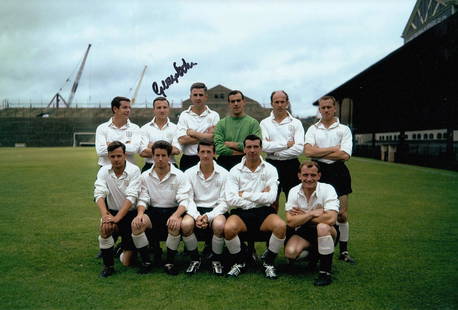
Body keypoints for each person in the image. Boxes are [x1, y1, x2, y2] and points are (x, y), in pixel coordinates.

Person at [130, 140, 199, 275]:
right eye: (157, 155)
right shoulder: (145, 176)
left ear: (169, 156)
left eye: (163, 155)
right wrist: (139, 215)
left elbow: (185, 200)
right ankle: (146, 261)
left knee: (174, 225)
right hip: (153, 212)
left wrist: (176, 215)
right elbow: (143, 199)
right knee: (136, 225)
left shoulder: (179, 175)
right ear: (153, 156)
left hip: (173, 211)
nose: (160, 159)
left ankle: (169, 262)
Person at [224, 135, 286, 279]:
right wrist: (259, 197)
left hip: (264, 212)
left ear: (261, 148)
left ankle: (268, 262)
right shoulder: (234, 171)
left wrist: (245, 194)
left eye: (256, 147)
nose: (252, 150)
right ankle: (240, 262)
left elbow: (271, 198)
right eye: (249, 147)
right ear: (244, 149)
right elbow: (232, 200)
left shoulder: (271, 169)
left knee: (281, 226)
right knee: (228, 228)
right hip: (241, 212)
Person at [304, 95, 355, 264]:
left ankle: (344, 251)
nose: (325, 110)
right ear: (319, 109)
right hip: (318, 172)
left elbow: (344, 155)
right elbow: (308, 152)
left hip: (339, 172)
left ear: (334, 108)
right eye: (322, 107)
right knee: (319, 212)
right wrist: (333, 148)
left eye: (328, 107)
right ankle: (318, 247)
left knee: (341, 215)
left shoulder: (344, 129)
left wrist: (319, 150)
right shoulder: (313, 129)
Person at [284, 161, 339, 286]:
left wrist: (302, 215)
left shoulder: (328, 189)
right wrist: (311, 213)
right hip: (305, 230)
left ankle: (325, 273)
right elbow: (291, 221)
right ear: (299, 175)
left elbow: (331, 219)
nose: (309, 179)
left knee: (322, 226)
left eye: (313, 175)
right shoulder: (293, 191)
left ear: (319, 176)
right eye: (305, 175)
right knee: (290, 253)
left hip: (329, 231)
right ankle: (316, 255)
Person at [94, 141, 141, 277]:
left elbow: (131, 197)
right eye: (113, 156)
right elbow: (99, 193)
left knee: (127, 262)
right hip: (112, 212)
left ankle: (120, 249)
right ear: (108, 157)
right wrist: (106, 216)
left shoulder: (134, 170)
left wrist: (117, 219)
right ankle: (108, 266)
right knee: (105, 228)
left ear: (124, 155)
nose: (116, 159)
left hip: (130, 214)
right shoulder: (103, 171)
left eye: (119, 156)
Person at [185, 141, 229, 275]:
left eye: (209, 152)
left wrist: (208, 216)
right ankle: (195, 259)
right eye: (202, 152)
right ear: (197, 153)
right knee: (185, 225)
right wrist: (197, 216)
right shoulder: (189, 173)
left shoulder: (224, 173)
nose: (205, 155)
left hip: (216, 210)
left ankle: (216, 260)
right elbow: (188, 199)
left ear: (214, 153)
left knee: (220, 225)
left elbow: (225, 202)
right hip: (196, 209)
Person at [260, 90, 304, 211]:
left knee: (294, 201)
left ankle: (292, 230)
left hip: (292, 165)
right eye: (276, 102)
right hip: (271, 164)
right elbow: (264, 146)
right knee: (271, 201)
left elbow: (299, 148)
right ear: (271, 103)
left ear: (287, 103)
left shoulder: (296, 123)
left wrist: (275, 151)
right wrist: (286, 144)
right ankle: (274, 230)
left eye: (282, 102)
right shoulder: (264, 123)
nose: (280, 105)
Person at [214, 90, 262, 171]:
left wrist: (232, 144)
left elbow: (256, 145)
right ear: (229, 104)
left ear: (244, 102)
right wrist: (240, 151)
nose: (236, 104)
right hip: (224, 165)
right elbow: (218, 148)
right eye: (233, 101)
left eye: (238, 101)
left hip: (247, 164)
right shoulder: (221, 124)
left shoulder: (253, 123)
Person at [177, 82, 220, 171]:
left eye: (201, 95)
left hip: (209, 159)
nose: (198, 98)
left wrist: (193, 133)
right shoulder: (184, 115)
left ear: (206, 97)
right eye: (195, 95)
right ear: (190, 97)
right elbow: (182, 140)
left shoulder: (214, 115)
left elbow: (215, 139)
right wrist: (206, 136)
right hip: (188, 160)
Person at [95, 96, 141, 167]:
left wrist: (110, 144)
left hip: (129, 170)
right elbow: (100, 151)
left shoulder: (135, 128)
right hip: (106, 170)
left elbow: (134, 149)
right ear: (115, 109)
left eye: (129, 108)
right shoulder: (102, 128)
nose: (128, 110)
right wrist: (126, 144)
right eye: (125, 107)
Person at [139, 97, 181, 172]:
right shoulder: (144, 128)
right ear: (154, 110)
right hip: (150, 166)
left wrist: (152, 146)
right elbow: (143, 152)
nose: (162, 110)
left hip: (171, 166)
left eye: (165, 107)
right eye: (159, 108)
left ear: (169, 109)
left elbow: (177, 150)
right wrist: (168, 149)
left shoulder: (176, 128)